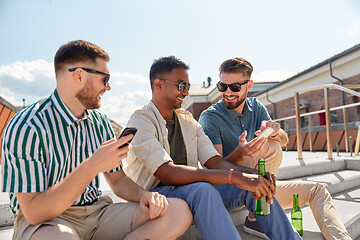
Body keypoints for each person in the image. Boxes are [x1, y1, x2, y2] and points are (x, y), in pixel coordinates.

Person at [1, 40, 192, 240]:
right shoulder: (28, 126)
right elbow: (34, 212)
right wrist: (91, 166)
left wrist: (144, 196)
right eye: (105, 79)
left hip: (96, 213)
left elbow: (117, 180)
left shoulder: (99, 122)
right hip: (46, 223)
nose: (108, 87)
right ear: (80, 75)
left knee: (178, 211)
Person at [123, 56, 302, 240]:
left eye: (188, 87)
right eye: (182, 86)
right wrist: (235, 176)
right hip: (157, 197)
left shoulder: (188, 121)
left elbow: (215, 162)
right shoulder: (141, 121)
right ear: (159, 84)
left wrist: (252, 175)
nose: (186, 93)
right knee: (203, 189)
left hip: (192, 192)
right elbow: (166, 173)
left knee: (254, 183)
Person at [199, 57, 351, 240]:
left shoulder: (256, 107)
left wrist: (275, 132)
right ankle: (257, 212)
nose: (228, 92)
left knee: (317, 190)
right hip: (233, 190)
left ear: (249, 85)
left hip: (261, 189)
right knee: (269, 147)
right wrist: (241, 153)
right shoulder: (210, 118)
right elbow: (213, 169)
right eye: (222, 87)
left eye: (235, 87)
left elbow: (284, 141)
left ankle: (256, 216)